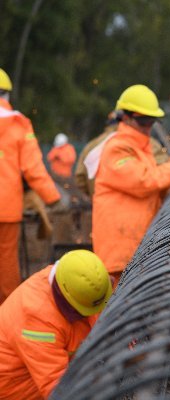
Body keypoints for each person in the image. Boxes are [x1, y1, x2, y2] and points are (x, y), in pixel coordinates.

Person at [91, 84, 170, 285]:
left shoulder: (141, 148)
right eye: (143, 121)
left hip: (135, 247)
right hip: (119, 252)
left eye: (151, 122)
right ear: (126, 117)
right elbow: (145, 181)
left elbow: (153, 187)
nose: (147, 127)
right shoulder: (117, 148)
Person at [0, 249, 112, 399]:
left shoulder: (75, 281)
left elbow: (100, 317)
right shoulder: (37, 319)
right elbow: (58, 390)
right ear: (69, 302)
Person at [0, 67, 62, 304]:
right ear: (6, 95)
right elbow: (33, 169)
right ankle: (6, 318)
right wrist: (52, 198)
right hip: (6, 209)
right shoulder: (19, 123)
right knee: (6, 268)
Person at [75, 112, 170, 198]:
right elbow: (162, 173)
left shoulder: (91, 145)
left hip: (101, 208)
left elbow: (80, 179)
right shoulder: (146, 143)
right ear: (125, 120)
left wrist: (95, 196)